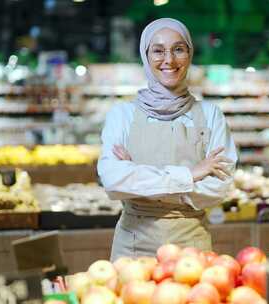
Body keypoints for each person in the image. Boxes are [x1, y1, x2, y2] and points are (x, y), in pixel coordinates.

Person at [97, 18, 238, 261]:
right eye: (158, 51)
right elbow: (112, 180)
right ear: (145, 55)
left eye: (178, 49)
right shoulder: (122, 115)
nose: (169, 60)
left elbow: (218, 187)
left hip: (191, 245)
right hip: (133, 245)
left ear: (189, 54)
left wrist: (138, 176)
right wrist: (191, 174)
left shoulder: (210, 114)